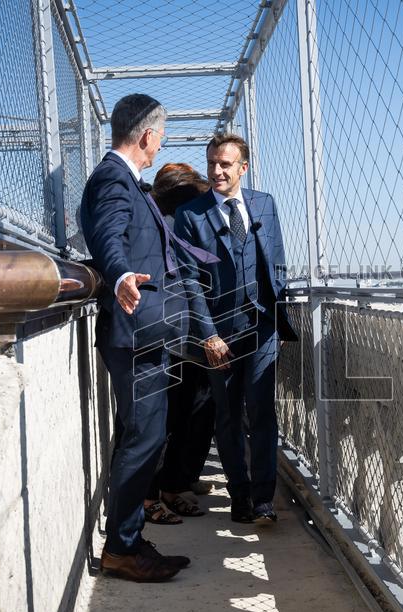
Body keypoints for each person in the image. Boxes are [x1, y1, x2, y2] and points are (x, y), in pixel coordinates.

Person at [79, 94, 217, 582]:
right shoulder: (113, 180)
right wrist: (118, 276)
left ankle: (129, 539)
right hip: (136, 333)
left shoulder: (126, 182)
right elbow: (107, 236)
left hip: (148, 334)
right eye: (161, 136)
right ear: (146, 136)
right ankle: (121, 549)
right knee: (143, 437)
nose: (161, 146)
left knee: (147, 435)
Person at [175, 133, 297, 525]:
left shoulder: (265, 204)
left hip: (261, 327)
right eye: (212, 163)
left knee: (262, 412)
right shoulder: (190, 216)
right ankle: (240, 496)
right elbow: (190, 280)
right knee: (227, 417)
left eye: (225, 164)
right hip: (219, 335)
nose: (216, 171)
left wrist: (277, 317)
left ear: (243, 168)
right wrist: (208, 334)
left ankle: (264, 499)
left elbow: (276, 262)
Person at [142, 163, 216, 524]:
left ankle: (175, 482)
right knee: (169, 414)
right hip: (170, 333)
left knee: (194, 406)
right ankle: (153, 492)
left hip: (193, 332)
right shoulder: (162, 226)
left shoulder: (177, 224)